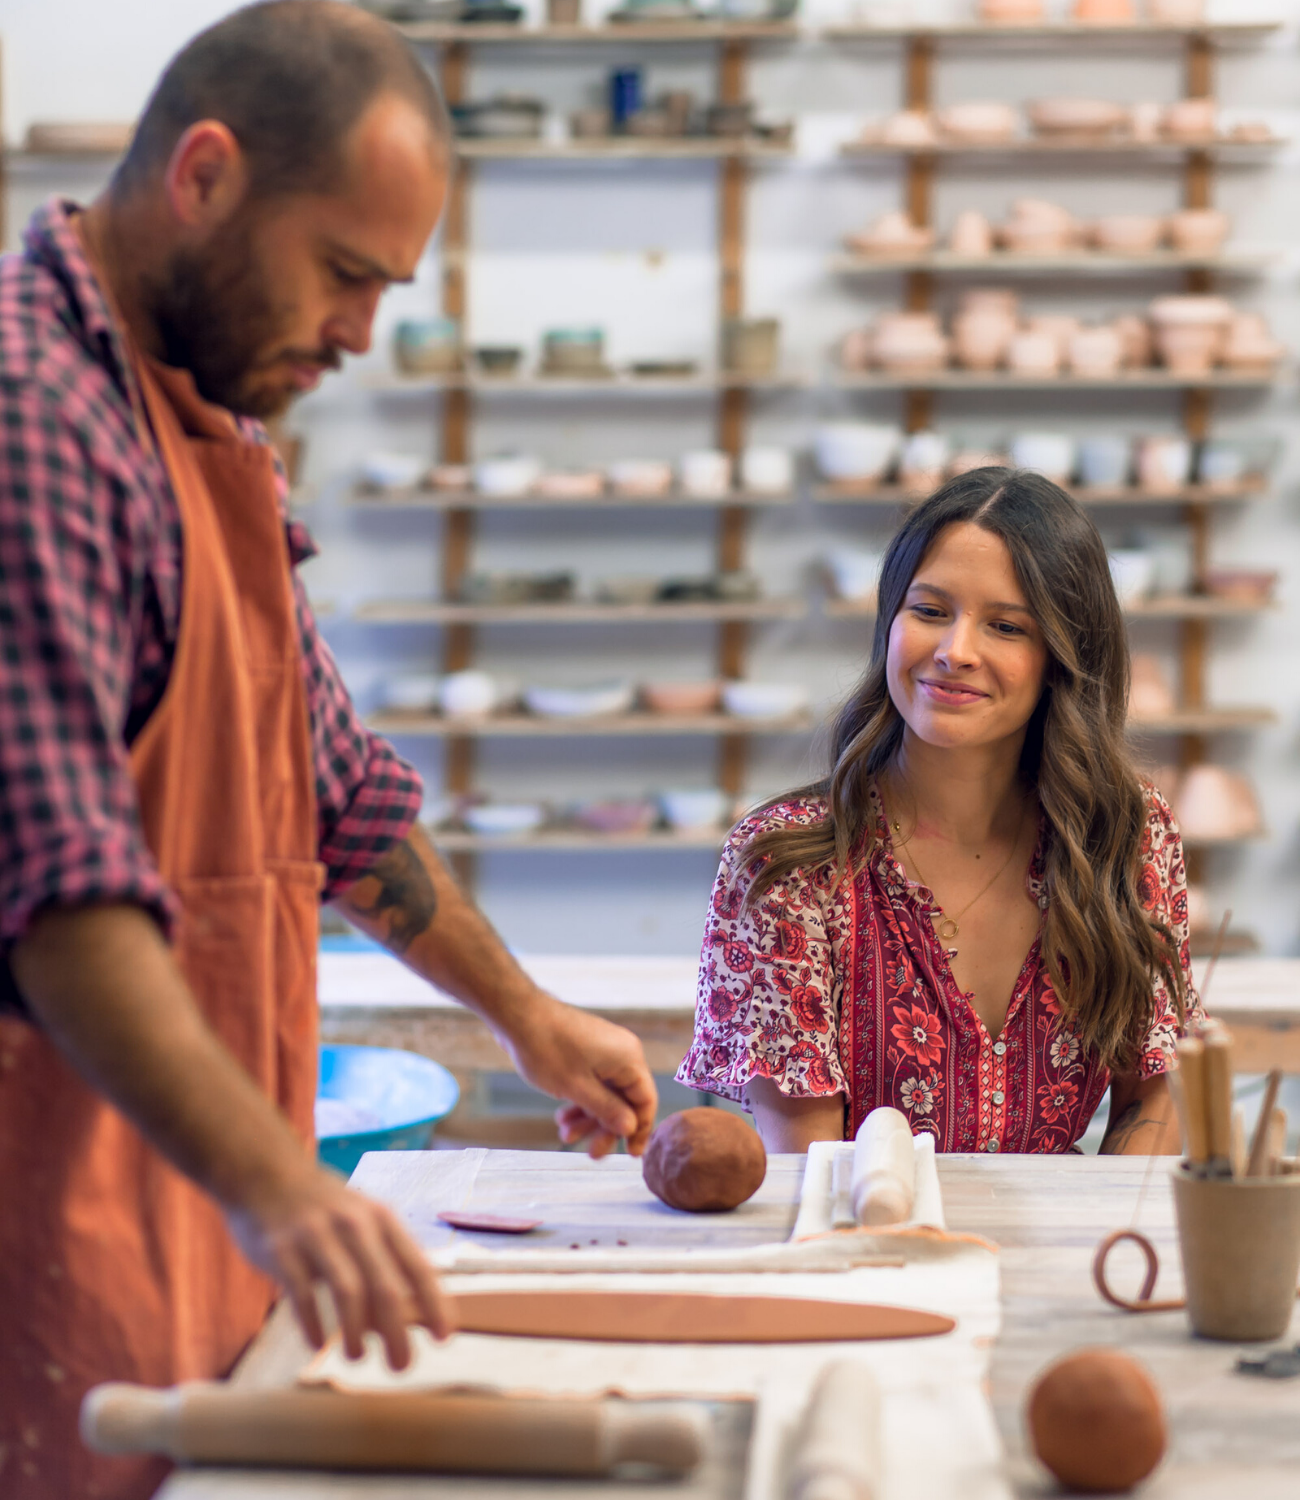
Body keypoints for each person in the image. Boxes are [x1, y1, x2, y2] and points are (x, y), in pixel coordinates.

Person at [0, 5, 656, 1495]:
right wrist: (284, 1188)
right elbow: (59, 895)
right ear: (208, 175)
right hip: (45, 1227)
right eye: (346, 273)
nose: (362, 333)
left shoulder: (202, 422)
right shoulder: (33, 421)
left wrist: (526, 1016)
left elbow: (339, 799)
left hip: (183, 1228)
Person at [679, 467, 1201, 1156]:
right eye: (929, 611)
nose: (955, 652)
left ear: (1062, 656)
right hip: (865, 1245)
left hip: (1072, 1251)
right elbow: (809, 1163)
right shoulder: (786, 865)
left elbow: (1154, 1094)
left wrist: (1098, 1247)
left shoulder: (1127, 835)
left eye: (1007, 626)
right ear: (888, 623)